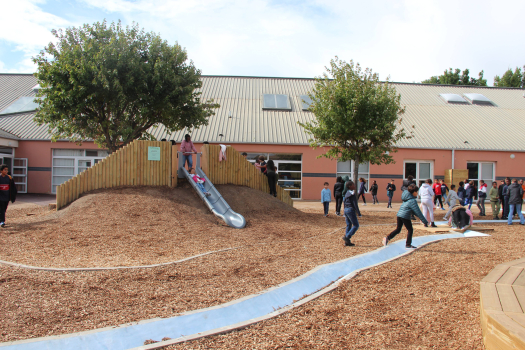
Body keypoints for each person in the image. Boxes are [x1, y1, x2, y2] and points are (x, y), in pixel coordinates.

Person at [382, 184, 428, 249]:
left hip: (399, 215)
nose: (417, 193)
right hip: (405, 216)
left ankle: (387, 238)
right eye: (416, 192)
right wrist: (425, 221)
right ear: (413, 192)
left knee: (398, 229)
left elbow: (414, 212)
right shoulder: (412, 201)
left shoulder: (407, 198)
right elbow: (418, 212)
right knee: (410, 229)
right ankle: (408, 244)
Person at [342, 180, 361, 246]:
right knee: (356, 225)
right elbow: (355, 204)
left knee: (349, 225)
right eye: (353, 185)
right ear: (350, 186)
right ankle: (347, 237)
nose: (355, 186)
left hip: (346, 210)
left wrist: (344, 212)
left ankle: (347, 242)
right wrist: (359, 213)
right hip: (350, 210)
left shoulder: (346, 193)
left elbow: (344, 202)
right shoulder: (352, 194)